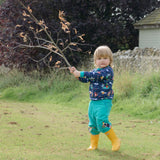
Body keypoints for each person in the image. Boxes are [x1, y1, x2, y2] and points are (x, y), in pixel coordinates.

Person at [69, 45, 121, 151]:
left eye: (105, 58)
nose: (102, 61)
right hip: (93, 102)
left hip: (104, 101)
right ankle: (93, 145)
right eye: (99, 58)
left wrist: (81, 73)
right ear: (95, 61)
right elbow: (87, 79)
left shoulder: (107, 71)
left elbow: (95, 75)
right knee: (92, 124)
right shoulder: (94, 71)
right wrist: (77, 75)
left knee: (102, 122)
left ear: (110, 60)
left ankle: (115, 140)